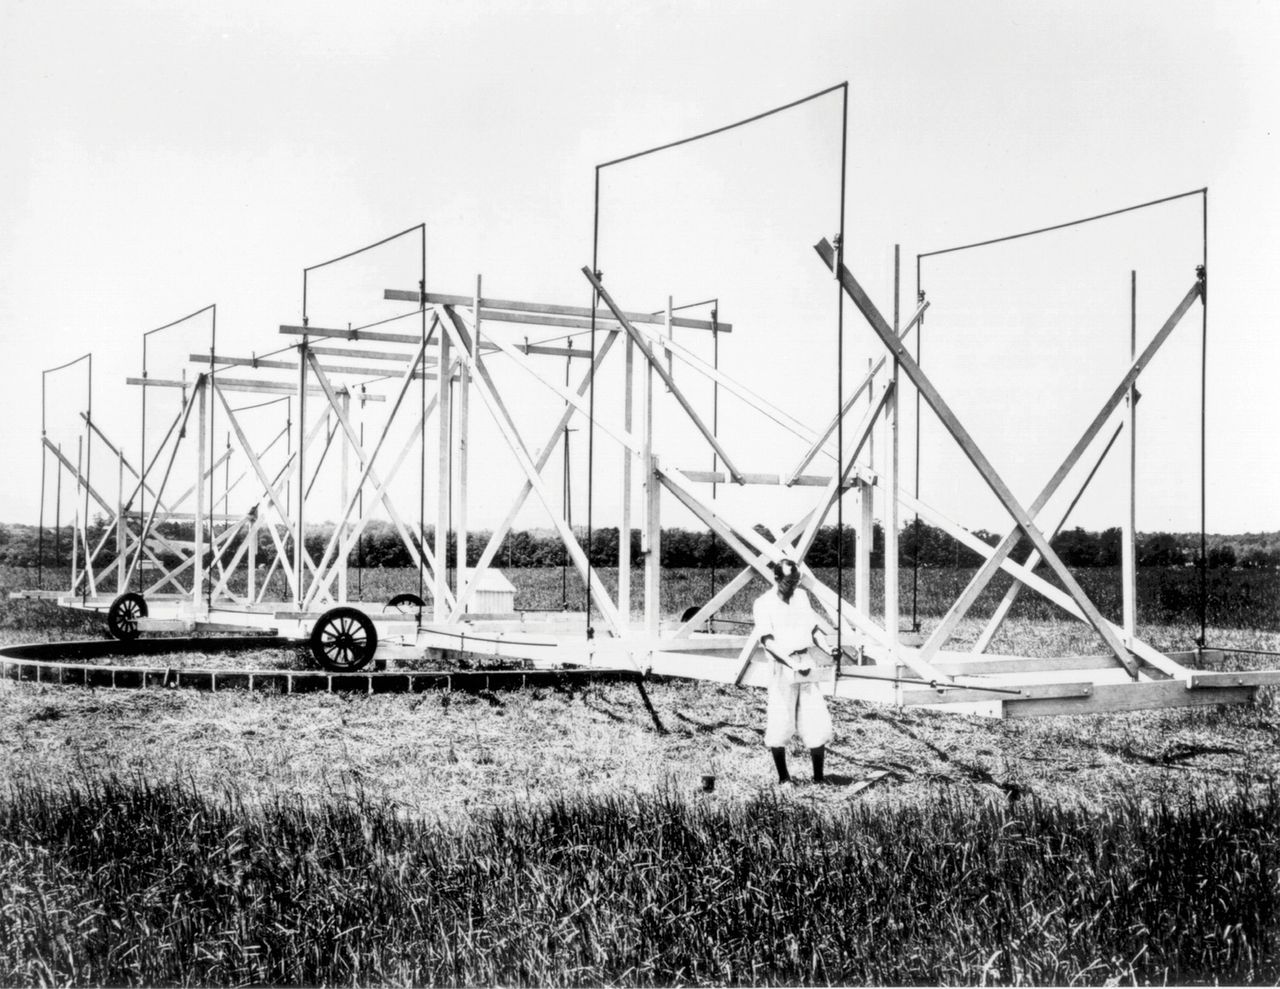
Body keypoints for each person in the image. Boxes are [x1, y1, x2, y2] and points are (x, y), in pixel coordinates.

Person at [752, 553, 838, 785]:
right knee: (781, 719)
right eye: (788, 582)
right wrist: (791, 663)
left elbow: (814, 630)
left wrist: (829, 650)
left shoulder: (801, 597)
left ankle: (819, 779)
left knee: (816, 717)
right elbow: (768, 642)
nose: (792, 587)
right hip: (783, 667)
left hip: (806, 662)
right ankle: (784, 778)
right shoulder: (763, 604)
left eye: (796, 582)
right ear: (777, 578)